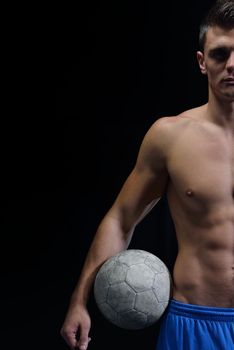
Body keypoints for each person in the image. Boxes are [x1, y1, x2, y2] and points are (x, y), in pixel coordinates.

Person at [60, 0, 234, 349]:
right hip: (194, 324)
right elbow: (121, 220)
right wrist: (79, 301)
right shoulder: (170, 137)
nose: (232, 65)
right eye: (220, 54)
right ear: (202, 62)